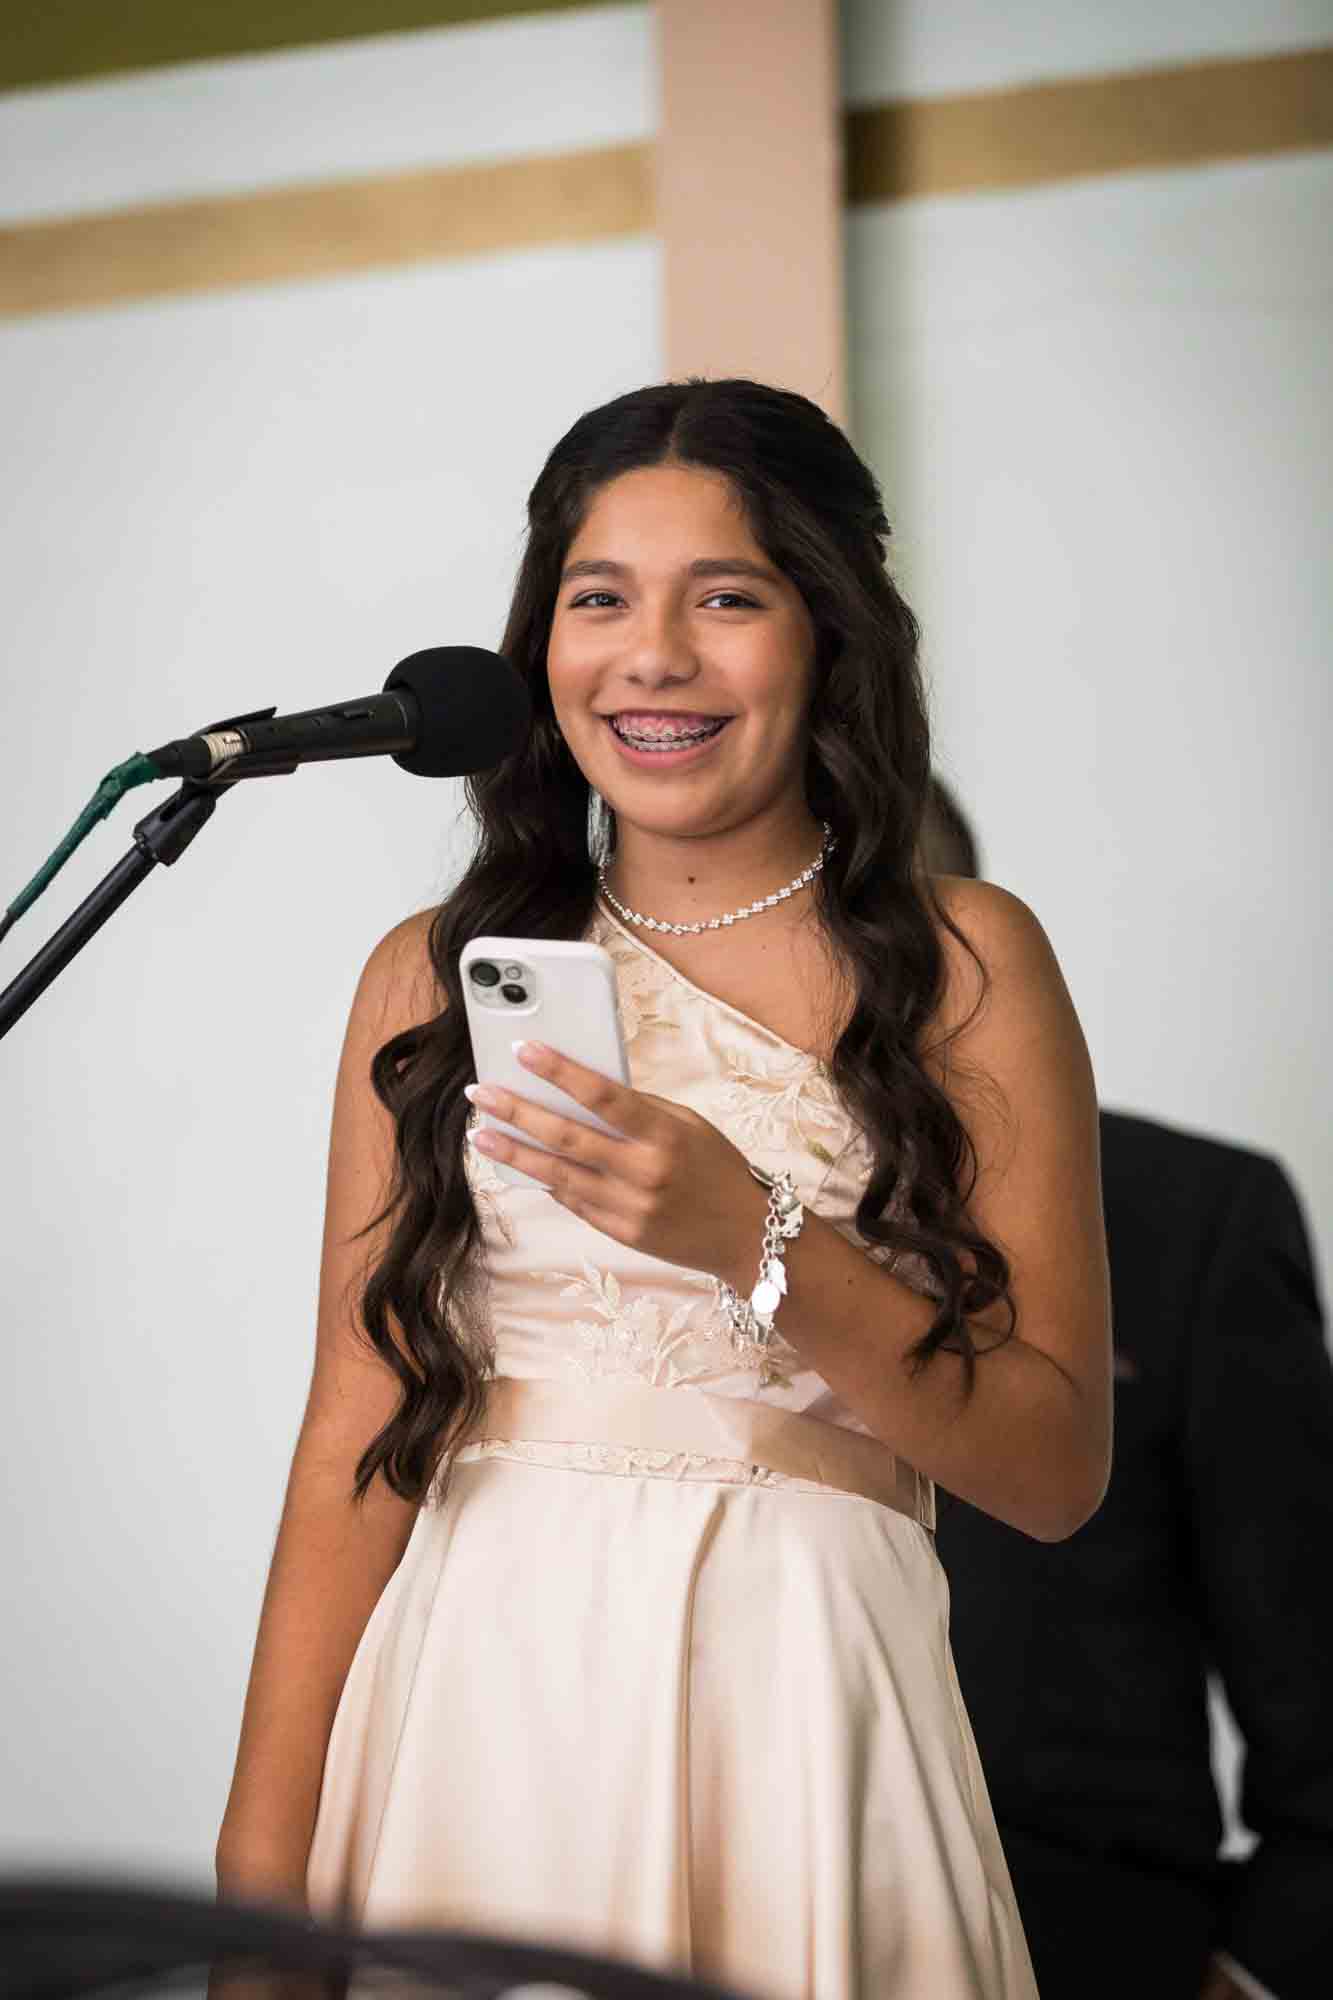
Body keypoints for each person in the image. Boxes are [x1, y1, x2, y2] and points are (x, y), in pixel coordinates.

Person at [215, 380, 1113, 2000]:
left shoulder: (966, 957)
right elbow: (353, 1439)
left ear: (826, 632)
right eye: (598, 599)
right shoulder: (426, 983)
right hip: (480, 1708)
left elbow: (1053, 1469)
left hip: (798, 1709)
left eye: (726, 598)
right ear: (536, 645)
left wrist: (750, 1235)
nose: (653, 657)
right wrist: (256, 1919)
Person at [922, 775, 1333, 2000]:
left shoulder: (1191, 1216)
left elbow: (1315, 1671)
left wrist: (1259, 1967)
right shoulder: (624, 1216)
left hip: (1089, 1938)